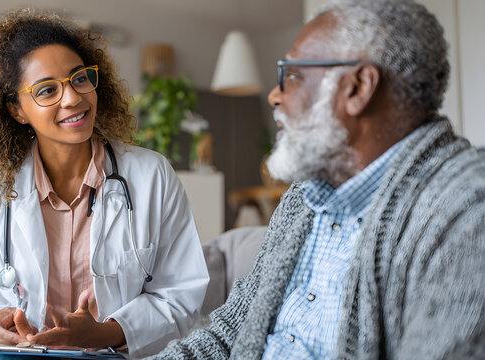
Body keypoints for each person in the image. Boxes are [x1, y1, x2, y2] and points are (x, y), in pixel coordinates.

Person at [152, 0, 484, 359]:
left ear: (358, 88)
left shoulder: (466, 209)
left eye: (292, 75)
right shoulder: (303, 198)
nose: (275, 95)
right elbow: (229, 334)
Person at [0, 9, 208, 358]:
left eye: (80, 79)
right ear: (17, 110)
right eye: (47, 90)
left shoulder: (152, 176)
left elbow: (180, 294)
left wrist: (105, 334)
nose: (72, 98)